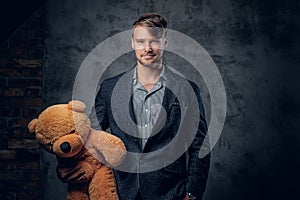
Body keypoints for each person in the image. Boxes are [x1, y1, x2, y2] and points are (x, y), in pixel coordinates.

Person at [58, 13, 210, 200]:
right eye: (141, 41)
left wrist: (191, 193)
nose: (147, 48)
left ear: (165, 42)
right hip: (121, 190)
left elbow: (200, 145)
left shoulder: (187, 90)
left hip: (170, 192)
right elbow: (90, 137)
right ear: (132, 43)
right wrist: (68, 167)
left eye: (154, 41)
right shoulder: (109, 88)